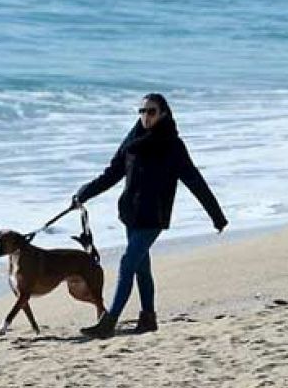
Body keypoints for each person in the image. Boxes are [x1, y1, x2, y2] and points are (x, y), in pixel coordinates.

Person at [71, 93, 227, 338]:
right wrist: (84, 193)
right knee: (141, 268)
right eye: (141, 111)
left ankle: (108, 322)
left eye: (151, 111)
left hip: (154, 217)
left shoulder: (173, 145)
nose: (145, 116)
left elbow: (195, 180)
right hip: (131, 214)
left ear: (163, 113)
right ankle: (148, 318)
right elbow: (112, 173)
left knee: (127, 263)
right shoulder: (133, 140)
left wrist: (216, 215)